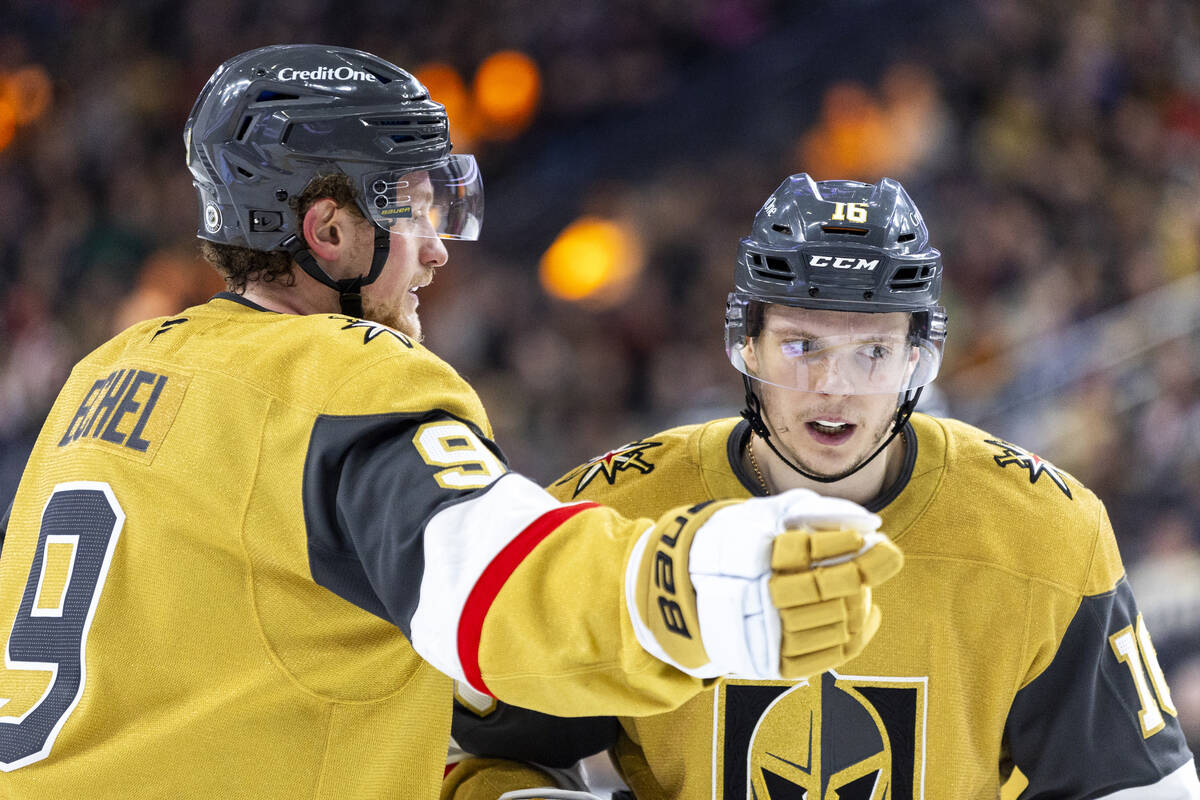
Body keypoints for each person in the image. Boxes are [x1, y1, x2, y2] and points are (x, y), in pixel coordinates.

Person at [0, 51, 906, 798]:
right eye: (411, 205)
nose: (436, 245)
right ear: (327, 232)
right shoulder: (339, 375)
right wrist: (694, 586)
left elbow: (229, 680)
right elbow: (495, 583)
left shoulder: (105, 374)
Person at [444, 174, 1200, 799]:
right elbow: (486, 751)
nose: (833, 389)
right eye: (801, 345)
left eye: (871, 351)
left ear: (916, 357)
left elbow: (1138, 789)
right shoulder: (612, 510)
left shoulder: (1047, 532)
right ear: (746, 342)